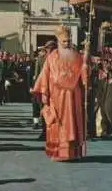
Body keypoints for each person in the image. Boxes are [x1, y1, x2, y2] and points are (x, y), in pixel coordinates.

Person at [32, 25, 87, 162]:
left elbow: (83, 75)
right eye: (64, 42)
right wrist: (44, 92)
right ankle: (57, 153)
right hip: (56, 97)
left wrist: (86, 65)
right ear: (58, 41)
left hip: (73, 97)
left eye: (68, 41)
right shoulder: (52, 57)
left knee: (72, 124)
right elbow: (45, 75)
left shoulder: (76, 56)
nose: (67, 44)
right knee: (57, 124)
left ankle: (73, 153)